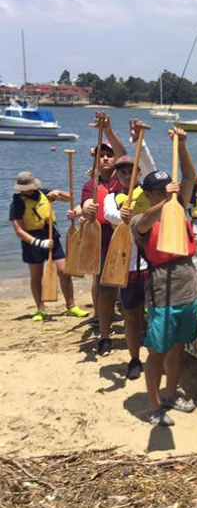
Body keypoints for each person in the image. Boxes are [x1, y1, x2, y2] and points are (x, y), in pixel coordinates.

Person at [131, 128, 197, 427]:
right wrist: (164, 202)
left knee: (178, 346)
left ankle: (171, 393)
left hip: (187, 282)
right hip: (161, 287)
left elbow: (190, 177)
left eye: (166, 190)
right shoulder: (140, 219)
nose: (166, 195)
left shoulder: (179, 206)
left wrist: (182, 145)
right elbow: (145, 221)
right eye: (158, 192)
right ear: (149, 195)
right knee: (157, 349)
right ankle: (154, 404)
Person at [103, 119, 156, 380]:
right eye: (122, 171)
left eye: (130, 170)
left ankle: (159, 356)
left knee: (157, 315)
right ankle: (134, 359)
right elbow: (111, 216)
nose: (126, 174)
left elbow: (149, 166)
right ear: (117, 175)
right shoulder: (110, 198)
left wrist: (140, 141)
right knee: (131, 316)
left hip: (153, 263)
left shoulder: (148, 192)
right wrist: (122, 215)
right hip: (128, 266)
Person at [9, 172, 89, 321]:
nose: (26, 190)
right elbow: (19, 231)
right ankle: (40, 309)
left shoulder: (44, 193)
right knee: (37, 276)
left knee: (64, 271)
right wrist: (39, 243)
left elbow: (70, 198)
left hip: (52, 236)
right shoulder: (17, 203)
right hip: (32, 242)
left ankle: (71, 306)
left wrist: (58, 193)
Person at [80, 112, 127, 355]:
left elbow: (124, 152)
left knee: (130, 293)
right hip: (103, 246)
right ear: (96, 161)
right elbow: (86, 209)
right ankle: (105, 336)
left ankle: (135, 332)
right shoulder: (90, 185)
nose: (107, 158)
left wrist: (108, 129)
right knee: (106, 292)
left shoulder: (124, 180)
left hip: (127, 245)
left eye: (110, 155)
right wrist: (85, 209)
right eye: (102, 156)